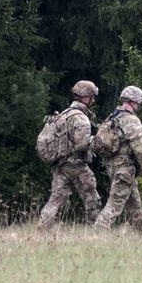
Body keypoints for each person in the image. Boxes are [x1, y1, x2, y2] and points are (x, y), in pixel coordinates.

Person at [38, 80, 102, 227]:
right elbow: (82, 144)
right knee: (92, 197)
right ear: (86, 98)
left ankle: (42, 226)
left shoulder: (64, 114)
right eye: (92, 96)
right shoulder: (80, 117)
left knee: (56, 199)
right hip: (76, 164)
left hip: (60, 163)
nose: (94, 100)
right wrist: (98, 141)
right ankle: (98, 230)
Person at [93, 86, 142, 229]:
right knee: (114, 206)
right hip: (125, 170)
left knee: (135, 205)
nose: (139, 106)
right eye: (139, 103)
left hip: (113, 168)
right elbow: (141, 151)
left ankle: (139, 234)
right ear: (134, 102)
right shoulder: (131, 121)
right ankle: (97, 231)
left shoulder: (112, 117)